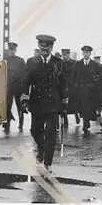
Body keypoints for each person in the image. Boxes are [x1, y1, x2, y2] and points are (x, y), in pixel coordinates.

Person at [21, 34, 67, 173]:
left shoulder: (58, 63)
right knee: (35, 130)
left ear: (51, 48)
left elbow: (64, 84)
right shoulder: (31, 62)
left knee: (51, 133)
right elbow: (26, 82)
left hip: (53, 103)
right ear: (39, 47)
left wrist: (64, 101)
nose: (44, 50)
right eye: (41, 48)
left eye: (46, 48)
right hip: (37, 102)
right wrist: (24, 99)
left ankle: (47, 163)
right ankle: (41, 149)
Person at [68, 46, 100, 134]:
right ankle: (85, 122)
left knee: (88, 107)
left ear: (90, 54)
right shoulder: (78, 64)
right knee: (81, 107)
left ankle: (86, 122)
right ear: (82, 53)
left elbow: (98, 77)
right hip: (79, 90)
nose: (86, 54)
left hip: (90, 91)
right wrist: (74, 86)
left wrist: (94, 85)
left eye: (88, 52)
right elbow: (72, 76)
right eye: (84, 52)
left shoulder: (94, 64)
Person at [4, 42, 27, 133]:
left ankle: (21, 124)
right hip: (8, 87)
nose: (11, 52)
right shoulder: (5, 60)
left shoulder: (20, 60)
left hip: (18, 88)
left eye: (13, 50)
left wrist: (23, 88)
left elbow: (25, 74)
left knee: (20, 107)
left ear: (15, 50)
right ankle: (7, 125)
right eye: (10, 50)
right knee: (7, 107)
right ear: (8, 50)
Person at [60, 48, 80, 127]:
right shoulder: (60, 63)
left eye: (66, 55)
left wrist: (75, 84)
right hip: (63, 86)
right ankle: (65, 120)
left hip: (72, 86)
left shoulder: (74, 63)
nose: (64, 56)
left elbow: (77, 74)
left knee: (73, 104)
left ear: (68, 54)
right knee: (63, 104)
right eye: (63, 55)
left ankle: (76, 115)